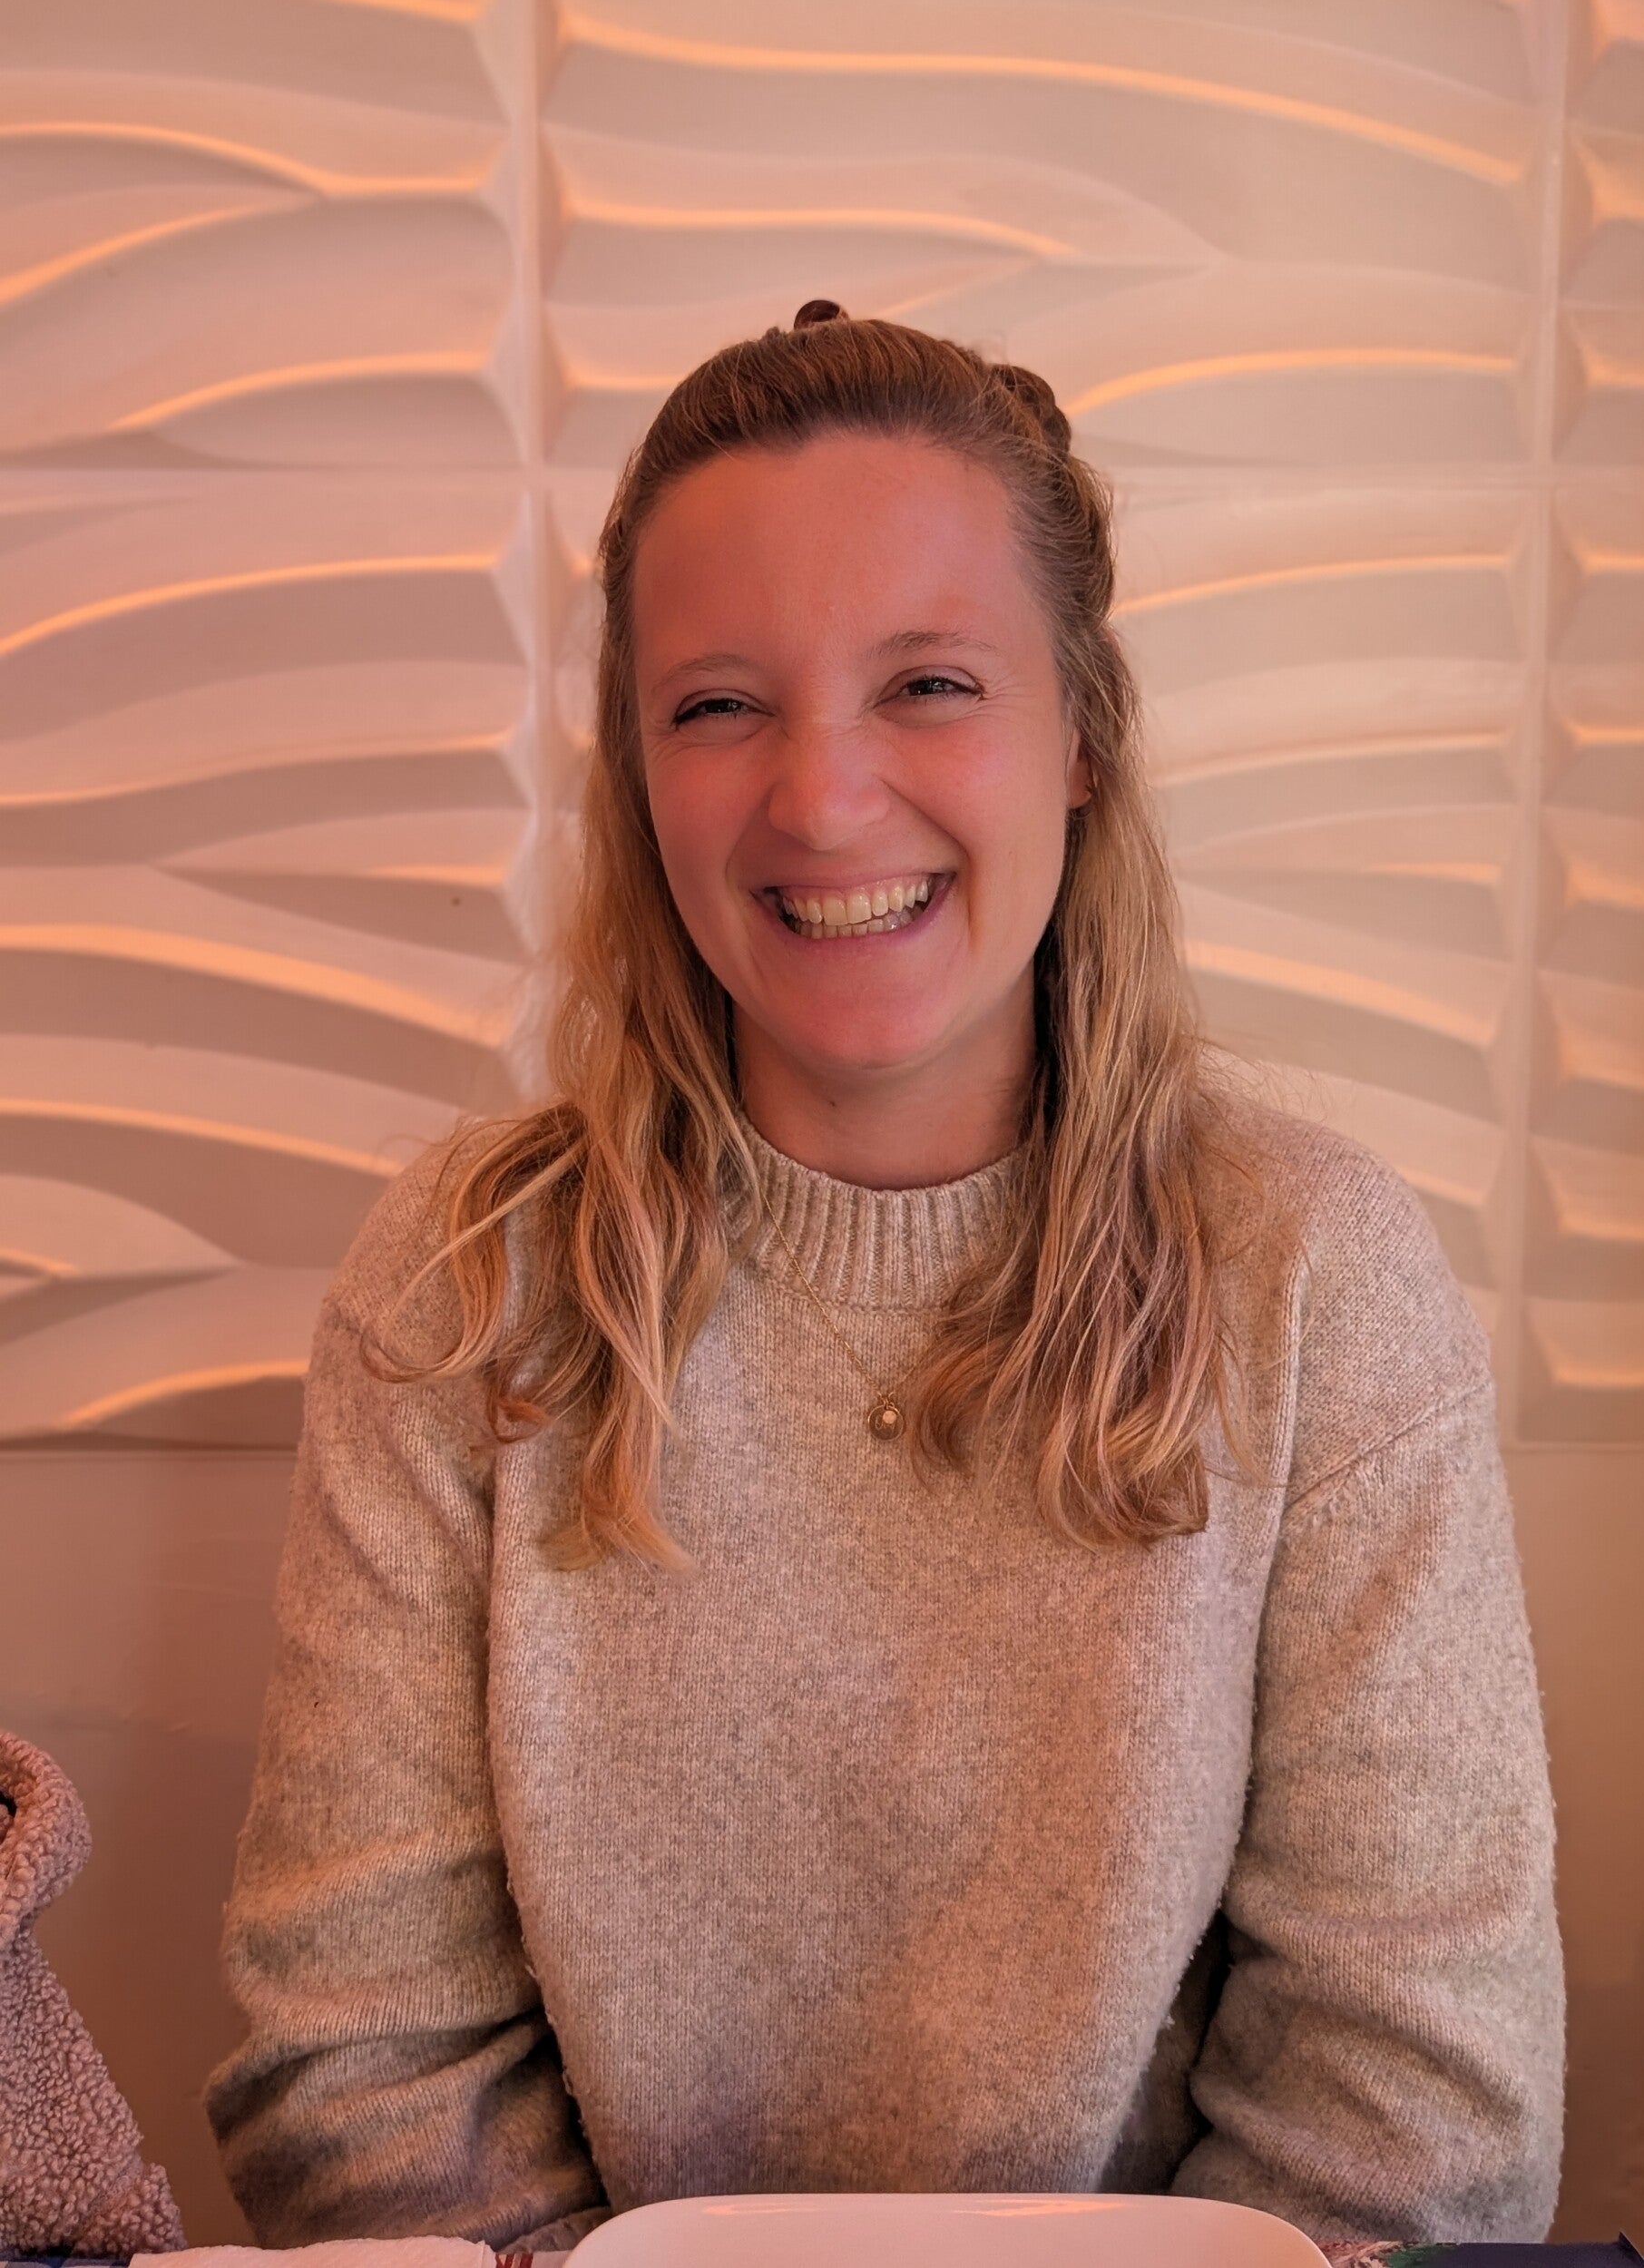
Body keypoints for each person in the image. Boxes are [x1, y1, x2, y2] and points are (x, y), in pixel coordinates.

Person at [206, 306, 1564, 2250]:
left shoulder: (1318, 1283)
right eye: (717, 706)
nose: (824, 800)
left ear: (1080, 734)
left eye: (926, 682)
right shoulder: (458, 1288)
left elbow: (1420, 2114)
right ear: (636, 778)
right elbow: (358, 2074)